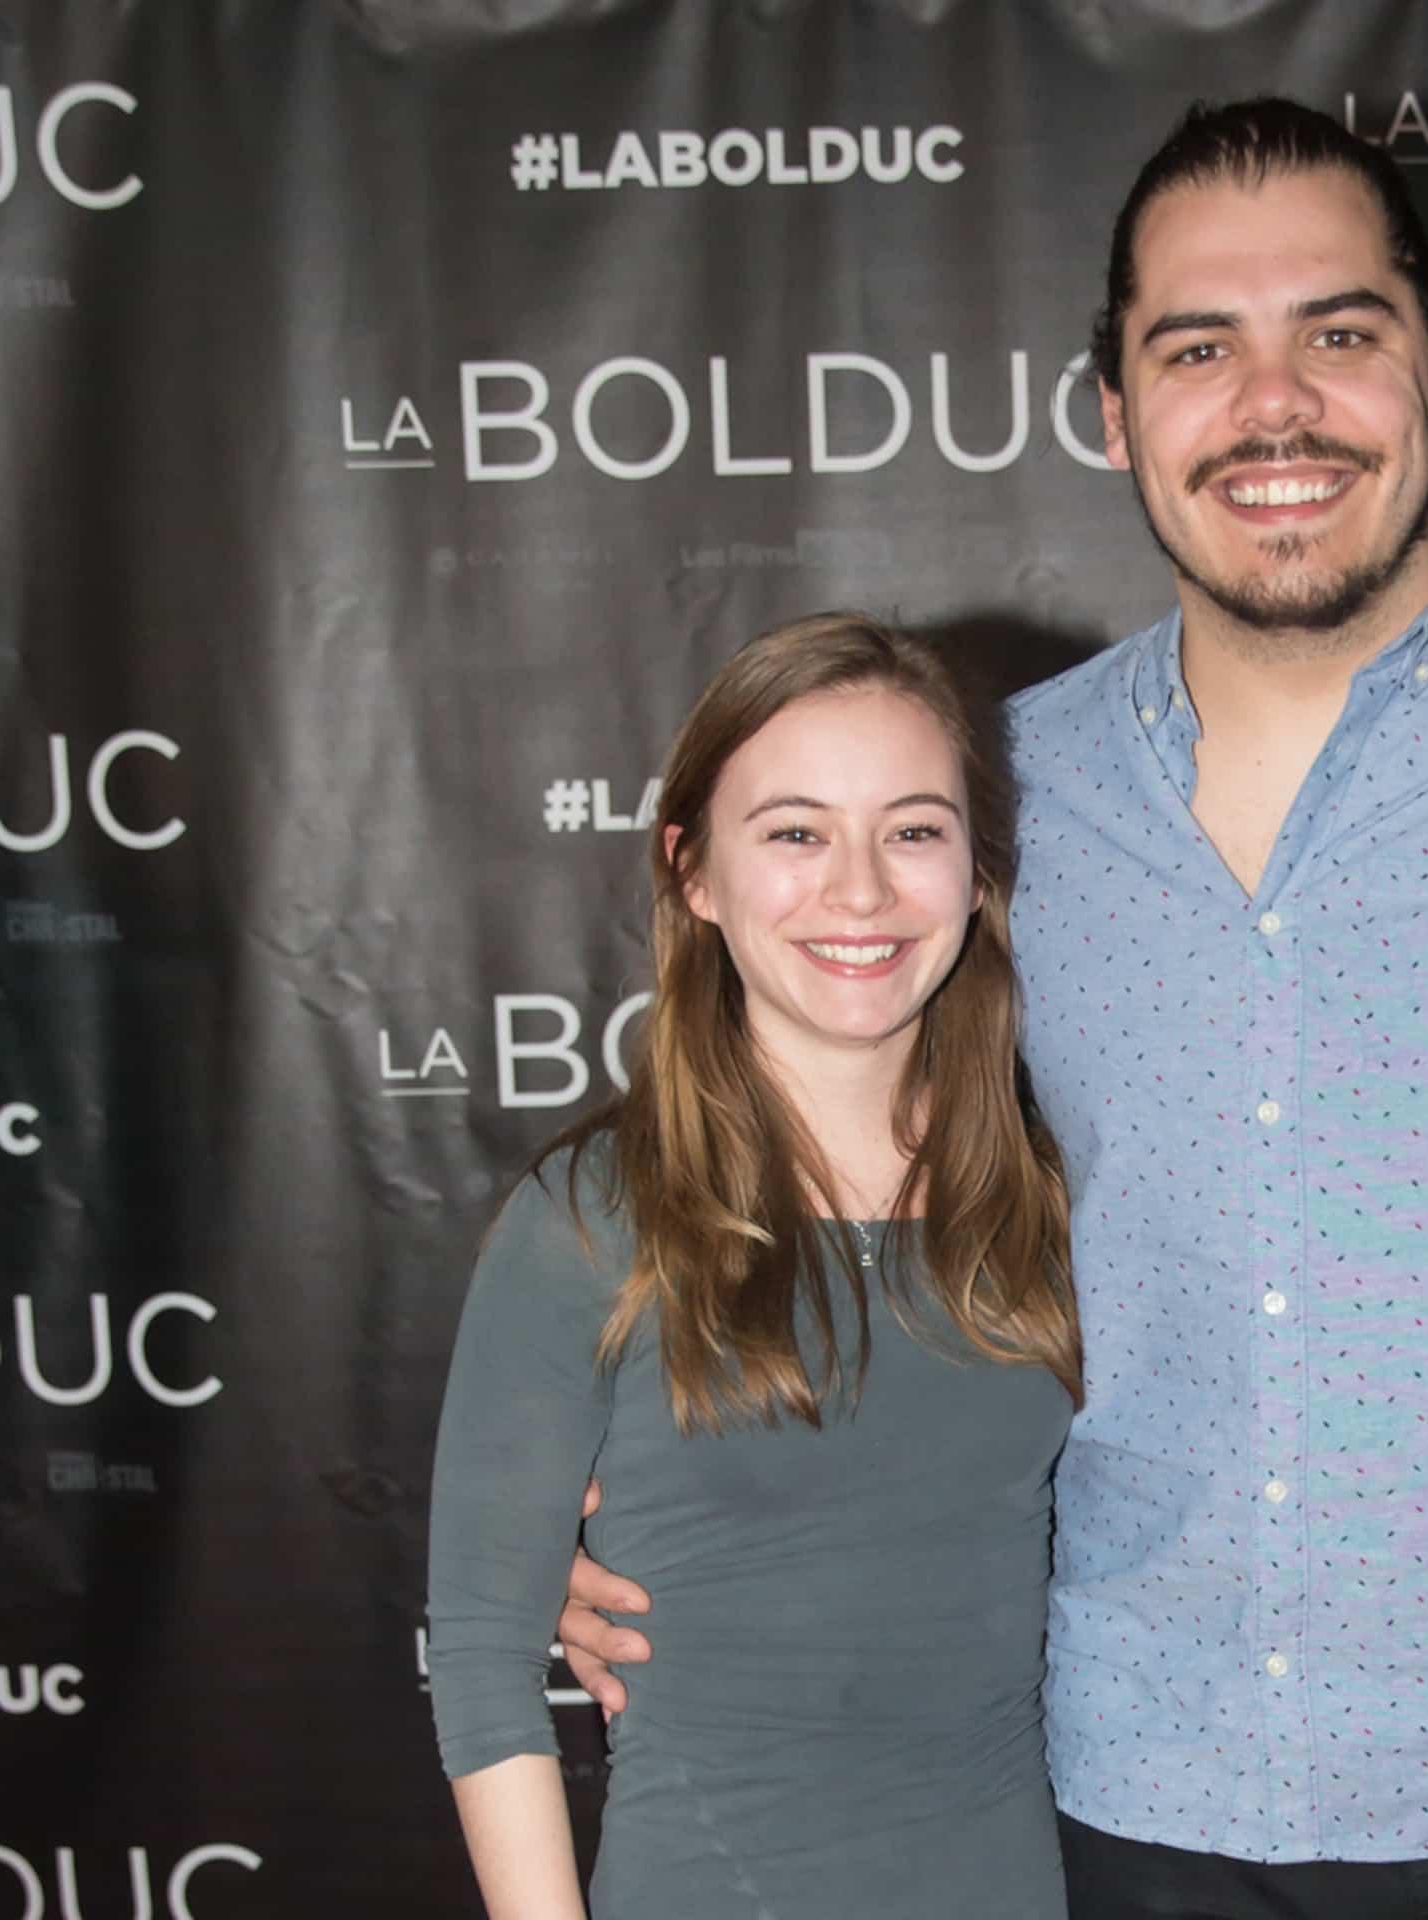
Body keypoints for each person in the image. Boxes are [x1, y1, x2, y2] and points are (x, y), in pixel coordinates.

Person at [562, 99, 1428, 1920]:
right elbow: (814, 1188)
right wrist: (659, 1490)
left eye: (1341, 334)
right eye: (1198, 348)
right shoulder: (996, 803)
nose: (1274, 406)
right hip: (1114, 1801)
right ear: (1118, 413)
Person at [426, 616, 1081, 1919]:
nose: (860, 891)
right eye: (794, 832)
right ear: (693, 875)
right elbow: (488, 1663)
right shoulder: (592, 1217)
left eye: (913, 829)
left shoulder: (1044, 1200)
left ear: (974, 868)